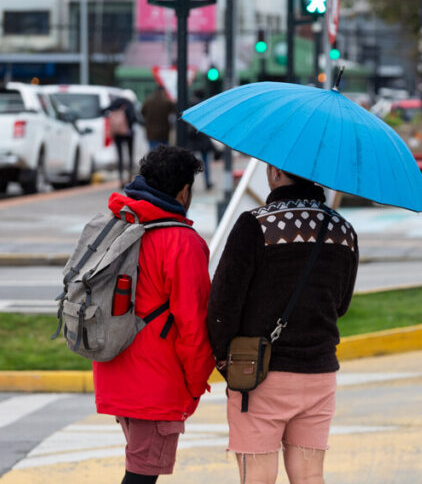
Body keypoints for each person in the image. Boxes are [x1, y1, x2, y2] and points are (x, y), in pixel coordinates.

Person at [208, 168, 358, 484]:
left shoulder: (256, 225)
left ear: (275, 172)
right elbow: (341, 305)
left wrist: (224, 359)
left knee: (258, 478)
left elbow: (223, 304)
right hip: (319, 372)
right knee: (310, 476)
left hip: (259, 375)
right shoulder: (343, 231)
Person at [92, 146, 214, 484]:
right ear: (184, 191)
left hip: (113, 366)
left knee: (140, 471)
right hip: (156, 382)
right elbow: (193, 325)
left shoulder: (117, 224)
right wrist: (194, 385)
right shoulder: (182, 242)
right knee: (141, 477)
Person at [105, 97, 139, 187]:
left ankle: (121, 179)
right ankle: (129, 178)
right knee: (130, 156)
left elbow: (104, 110)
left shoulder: (115, 103)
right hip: (128, 134)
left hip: (117, 134)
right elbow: (133, 118)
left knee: (120, 157)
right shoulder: (129, 104)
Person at [185, 90, 215, 190]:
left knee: (190, 163)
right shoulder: (204, 106)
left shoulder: (189, 105)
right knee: (206, 162)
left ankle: (189, 184)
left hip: (193, 139)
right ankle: (207, 182)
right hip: (203, 139)